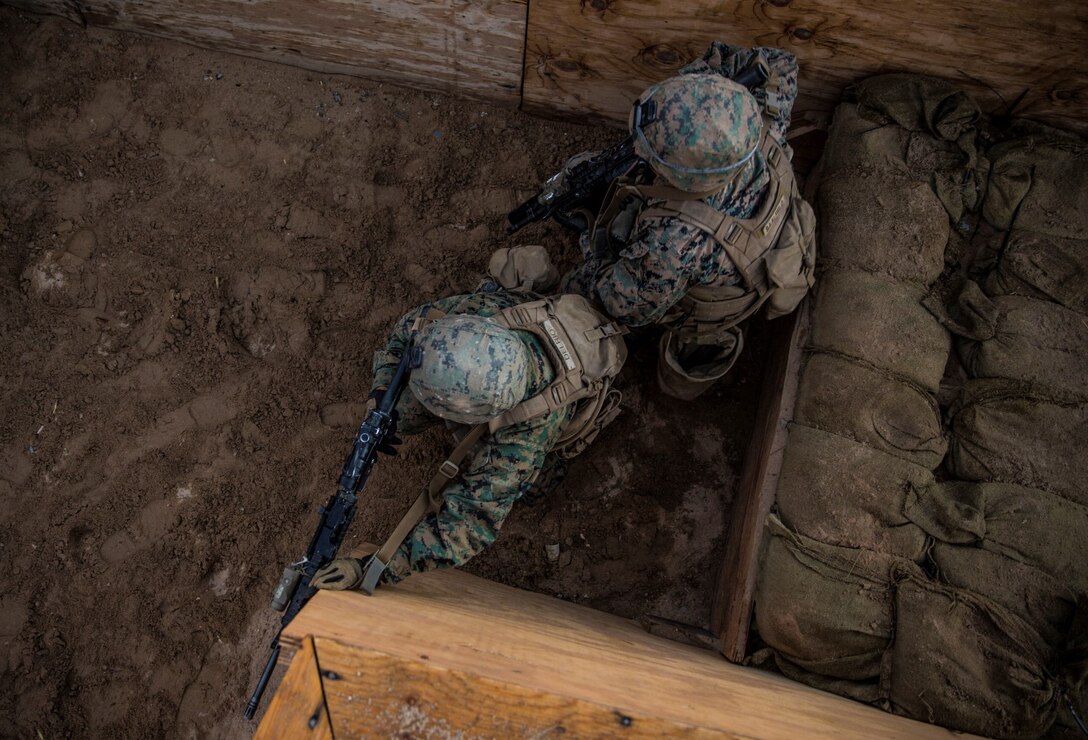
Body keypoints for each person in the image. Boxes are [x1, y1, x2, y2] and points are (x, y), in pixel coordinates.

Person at [311, 259, 625, 591]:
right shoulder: (479, 317)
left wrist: (374, 567)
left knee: (533, 488)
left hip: (569, 383)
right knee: (400, 410)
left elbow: (470, 524)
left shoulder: (528, 435)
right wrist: (381, 393)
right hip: (529, 340)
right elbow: (410, 328)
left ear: (473, 414)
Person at [559, 42, 816, 399]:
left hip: (717, 293)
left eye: (654, 153)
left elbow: (622, 306)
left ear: (686, 180)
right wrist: (709, 94)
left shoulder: (673, 244)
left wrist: (590, 240)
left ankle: (685, 361)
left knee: (574, 293)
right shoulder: (758, 119)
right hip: (767, 227)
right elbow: (778, 61)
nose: (638, 149)